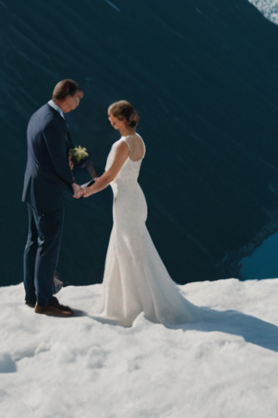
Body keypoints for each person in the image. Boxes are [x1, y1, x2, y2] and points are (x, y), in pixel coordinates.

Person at [76, 100, 196, 326]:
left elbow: (110, 177)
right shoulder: (138, 140)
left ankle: (133, 304)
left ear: (122, 118)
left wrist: (87, 191)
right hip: (136, 198)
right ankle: (147, 298)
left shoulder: (121, 145)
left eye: (112, 117)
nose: (109, 120)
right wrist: (91, 183)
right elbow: (113, 175)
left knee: (127, 248)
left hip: (125, 202)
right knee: (137, 247)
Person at [21, 78, 86, 317]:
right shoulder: (54, 122)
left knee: (33, 242)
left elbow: (46, 152)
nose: (78, 104)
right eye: (77, 99)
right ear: (68, 97)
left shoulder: (40, 113)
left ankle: (32, 295)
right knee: (48, 245)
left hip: (32, 187)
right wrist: (73, 185)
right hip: (47, 191)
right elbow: (59, 161)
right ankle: (45, 301)